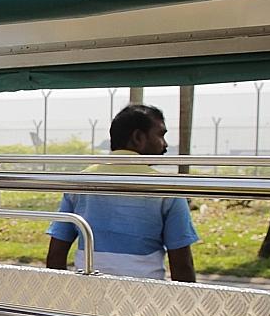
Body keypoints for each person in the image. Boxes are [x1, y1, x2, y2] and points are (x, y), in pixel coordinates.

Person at [45, 103, 199, 281]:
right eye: (161, 135)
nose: (165, 145)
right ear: (138, 137)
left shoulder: (80, 182)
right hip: (145, 296)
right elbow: (182, 263)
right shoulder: (166, 188)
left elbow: (56, 254)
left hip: (87, 293)